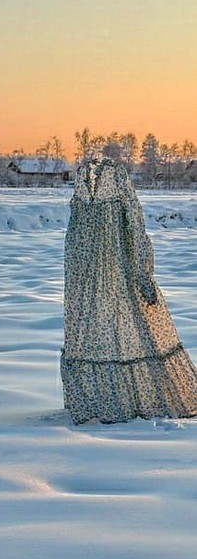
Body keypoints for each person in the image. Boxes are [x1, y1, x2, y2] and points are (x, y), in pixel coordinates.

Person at [60, 143, 197, 424]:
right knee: (94, 333)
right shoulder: (80, 183)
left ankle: (136, 400)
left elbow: (136, 228)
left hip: (119, 269)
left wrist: (143, 271)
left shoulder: (118, 180)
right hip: (83, 277)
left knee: (131, 331)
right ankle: (96, 402)